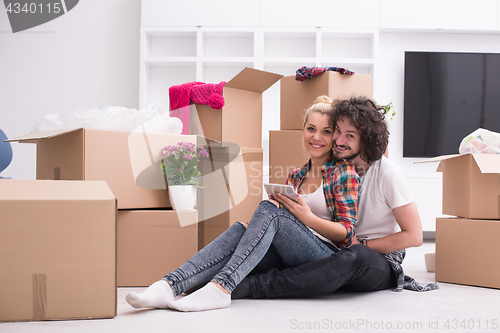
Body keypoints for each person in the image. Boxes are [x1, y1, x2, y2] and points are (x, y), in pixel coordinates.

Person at [125, 95, 360, 312]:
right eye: (311, 129)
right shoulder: (296, 176)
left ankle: (222, 288)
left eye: (326, 132)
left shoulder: (343, 173)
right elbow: (286, 225)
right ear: (303, 131)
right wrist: (263, 224)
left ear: (334, 137)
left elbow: (347, 234)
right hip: (291, 253)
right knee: (241, 228)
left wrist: (307, 218)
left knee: (270, 211)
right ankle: (168, 286)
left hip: (326, 257)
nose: (317, 137)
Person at [230, 96, 438, 300]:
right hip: (336, 250)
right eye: (337, 131)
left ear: (366, 139)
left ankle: (255, 286)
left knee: (355, 257)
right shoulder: (335, 171)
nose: (338, 141)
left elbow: (414, 236)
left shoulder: (387, 174)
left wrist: (364, 245)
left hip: (376, 258)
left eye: (350, 135)